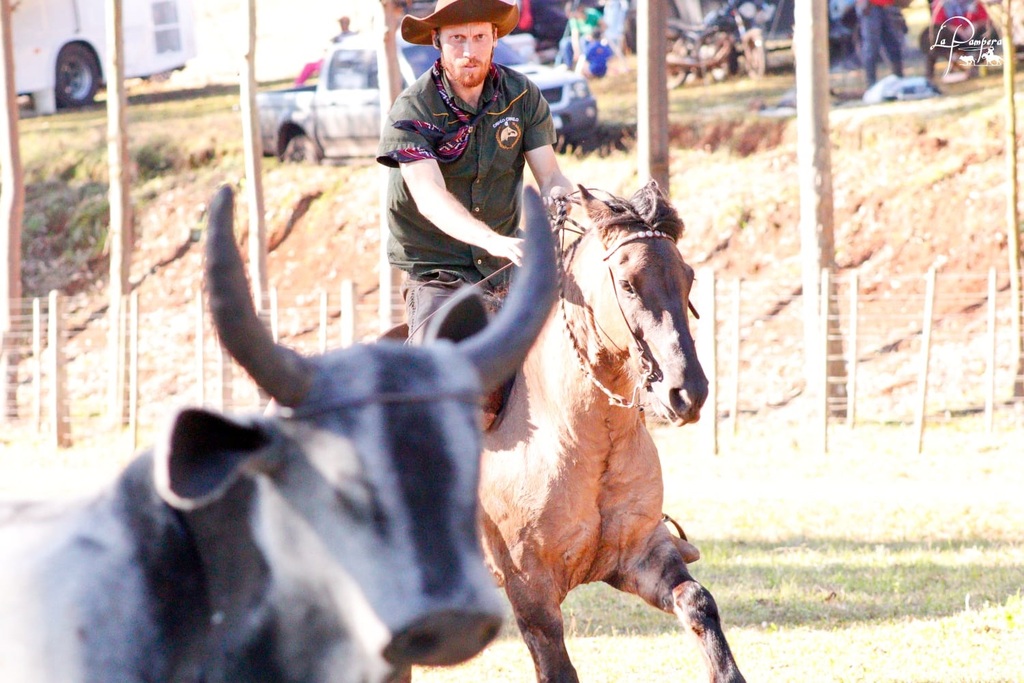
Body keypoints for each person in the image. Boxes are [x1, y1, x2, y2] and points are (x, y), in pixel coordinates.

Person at [377, 0, 573, 347]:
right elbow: (430, 198)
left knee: (572, 342)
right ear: (436, 41)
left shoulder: (523, 97)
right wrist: (492, 240)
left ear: (495, 37)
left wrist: (564, 203)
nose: (470, 51)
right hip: (438, 272)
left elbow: (551, 177)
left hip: (506, 263)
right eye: (457, 39)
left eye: (480, 36)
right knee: (435, 371)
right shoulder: (413, 109)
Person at [294, 16, 356, 86]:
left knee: (320, 65)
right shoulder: (338, 37)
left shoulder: (352, 36)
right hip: (332, 59)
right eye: (340, 23)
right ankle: (299, 84)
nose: (341, 25)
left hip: (340, 62)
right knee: (309, 66)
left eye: (342, 23)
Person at [857, 0, 904, 88]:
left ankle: (899, 81)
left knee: (894, 45)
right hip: (871, 6)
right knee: (871, 47)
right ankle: (871, 85)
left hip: (887, 5)